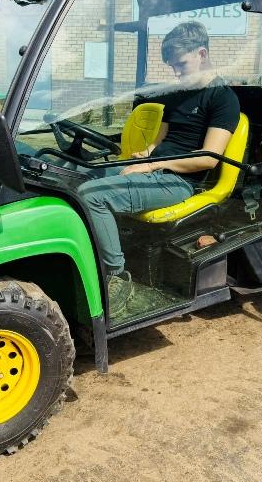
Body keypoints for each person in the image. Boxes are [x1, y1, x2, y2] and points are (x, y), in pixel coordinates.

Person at [77, 21, 240, 318]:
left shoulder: (223, 98)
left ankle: (117, 276)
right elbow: (162, 139)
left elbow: (208, 159)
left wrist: (152, 164)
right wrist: (146, 154)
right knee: (79, 178)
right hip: (155, 170)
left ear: (202, 53)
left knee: (93, 196)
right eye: (172, 66)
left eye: (181, 64)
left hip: (179, 181)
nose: (176, 72)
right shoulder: (179, 92)